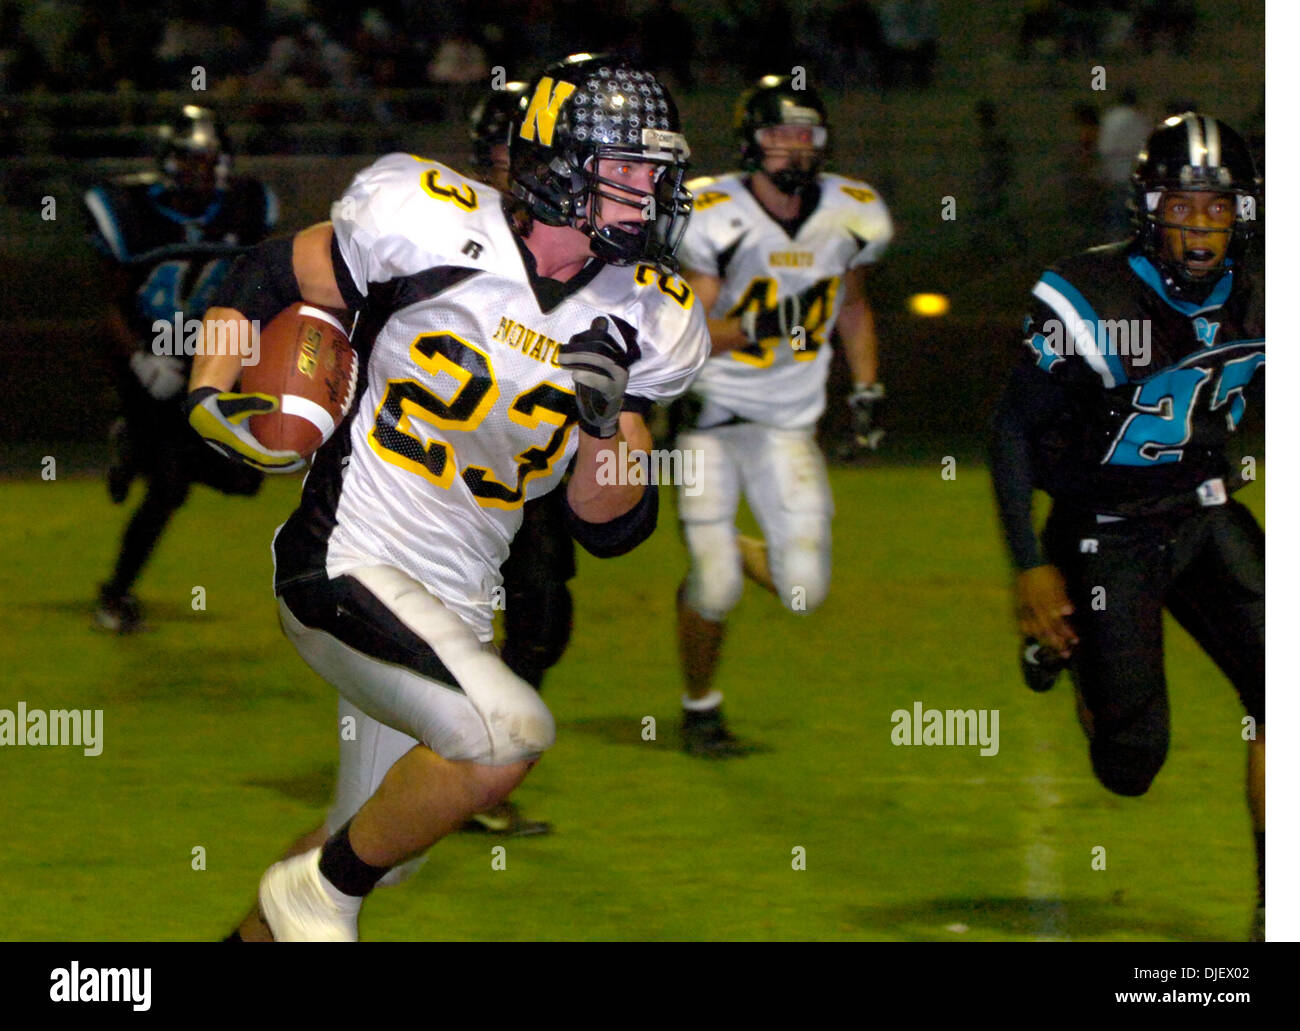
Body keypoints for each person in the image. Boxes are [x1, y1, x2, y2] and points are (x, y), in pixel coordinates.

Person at [188, 53, 708, 941]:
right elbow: (265, 275)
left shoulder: (653, 314)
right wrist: (210, 395)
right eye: (626, 169)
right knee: (507, 732)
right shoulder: (428, 220)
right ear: (557, 162)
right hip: (346, 557)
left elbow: (611, 525)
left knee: (377, 847)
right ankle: (317, 898)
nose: (647, 192)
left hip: (457, 597)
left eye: (656, 172)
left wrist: (602, 419)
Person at [989, 113, 1265, 940]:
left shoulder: (1265, 286)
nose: (1202, 224)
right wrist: (1031, 563)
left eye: (1218, 207)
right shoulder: (1090, 296)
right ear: (1150, 205)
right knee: (1130, 763)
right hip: (1105, 528)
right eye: (1184, 204)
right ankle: (1077, 666)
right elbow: (1010, 430)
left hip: (1208, 506)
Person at [671, 74, 893, 757]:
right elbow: (692, 332)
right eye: (778, 136)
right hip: (712, 410)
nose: (794, 150)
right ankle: (700, 708)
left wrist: (866, 387)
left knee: (804, 587)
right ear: (750, 143)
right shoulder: (713, 211)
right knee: (716, 583)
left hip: (789, 423)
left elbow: (852, 305)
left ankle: (715, 543)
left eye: (805, 136)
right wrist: (778, 315)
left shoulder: (852, 210)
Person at [85, 105, 277, 633]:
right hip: (145, 355)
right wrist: (142, 360)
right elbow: (110, 304)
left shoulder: (245, 207)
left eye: (207, 161)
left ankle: (136, 451)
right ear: (168, 162)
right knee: (169, 489)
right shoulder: (131, 211)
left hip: (204, 356)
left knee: (244, 480)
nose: (198, 171)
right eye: (189, 161)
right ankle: (115, 593)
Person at [460, 78, 570, 836]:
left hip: (532, 459)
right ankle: (460, 772)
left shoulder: (572, 227)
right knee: (448, 623)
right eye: (507, 154)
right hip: (443, 459)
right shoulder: (447, 225)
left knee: (543, 616)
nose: (518, 168)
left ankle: (476, 766)